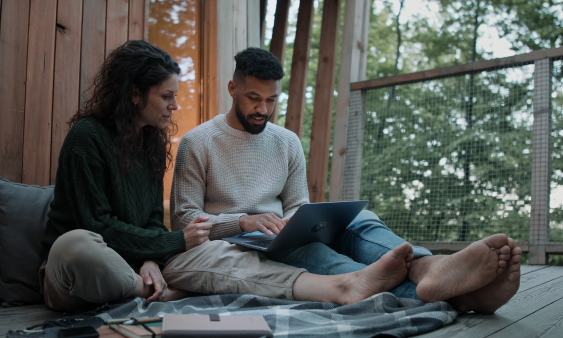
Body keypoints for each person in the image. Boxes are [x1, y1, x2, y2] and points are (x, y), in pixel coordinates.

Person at [40, 40, 415, 312]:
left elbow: (153, 220)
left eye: (271, 100)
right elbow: (100, 225)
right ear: (135, 94)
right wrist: (165, 248)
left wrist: (151, 257)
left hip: (144, 262)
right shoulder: (88, 138)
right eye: (166, 97)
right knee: (79, 244)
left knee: (354, 221)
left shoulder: (150, 142)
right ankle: (153, 289)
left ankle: (397, 274)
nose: (175, 105)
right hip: (85, 266)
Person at [170, 47, 523, 314]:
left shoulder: (287, 141)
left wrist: (298, 221)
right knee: (324, 257)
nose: (263, 108)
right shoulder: (198, 142)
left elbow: (296, 204)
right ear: (233, 88)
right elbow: (184, 220)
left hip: (283, 231)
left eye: (272, 100)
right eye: (253, 98)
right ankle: (464, 297)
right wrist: (243, 221)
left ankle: (426, 265)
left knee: (360, 219)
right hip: (240, 242)